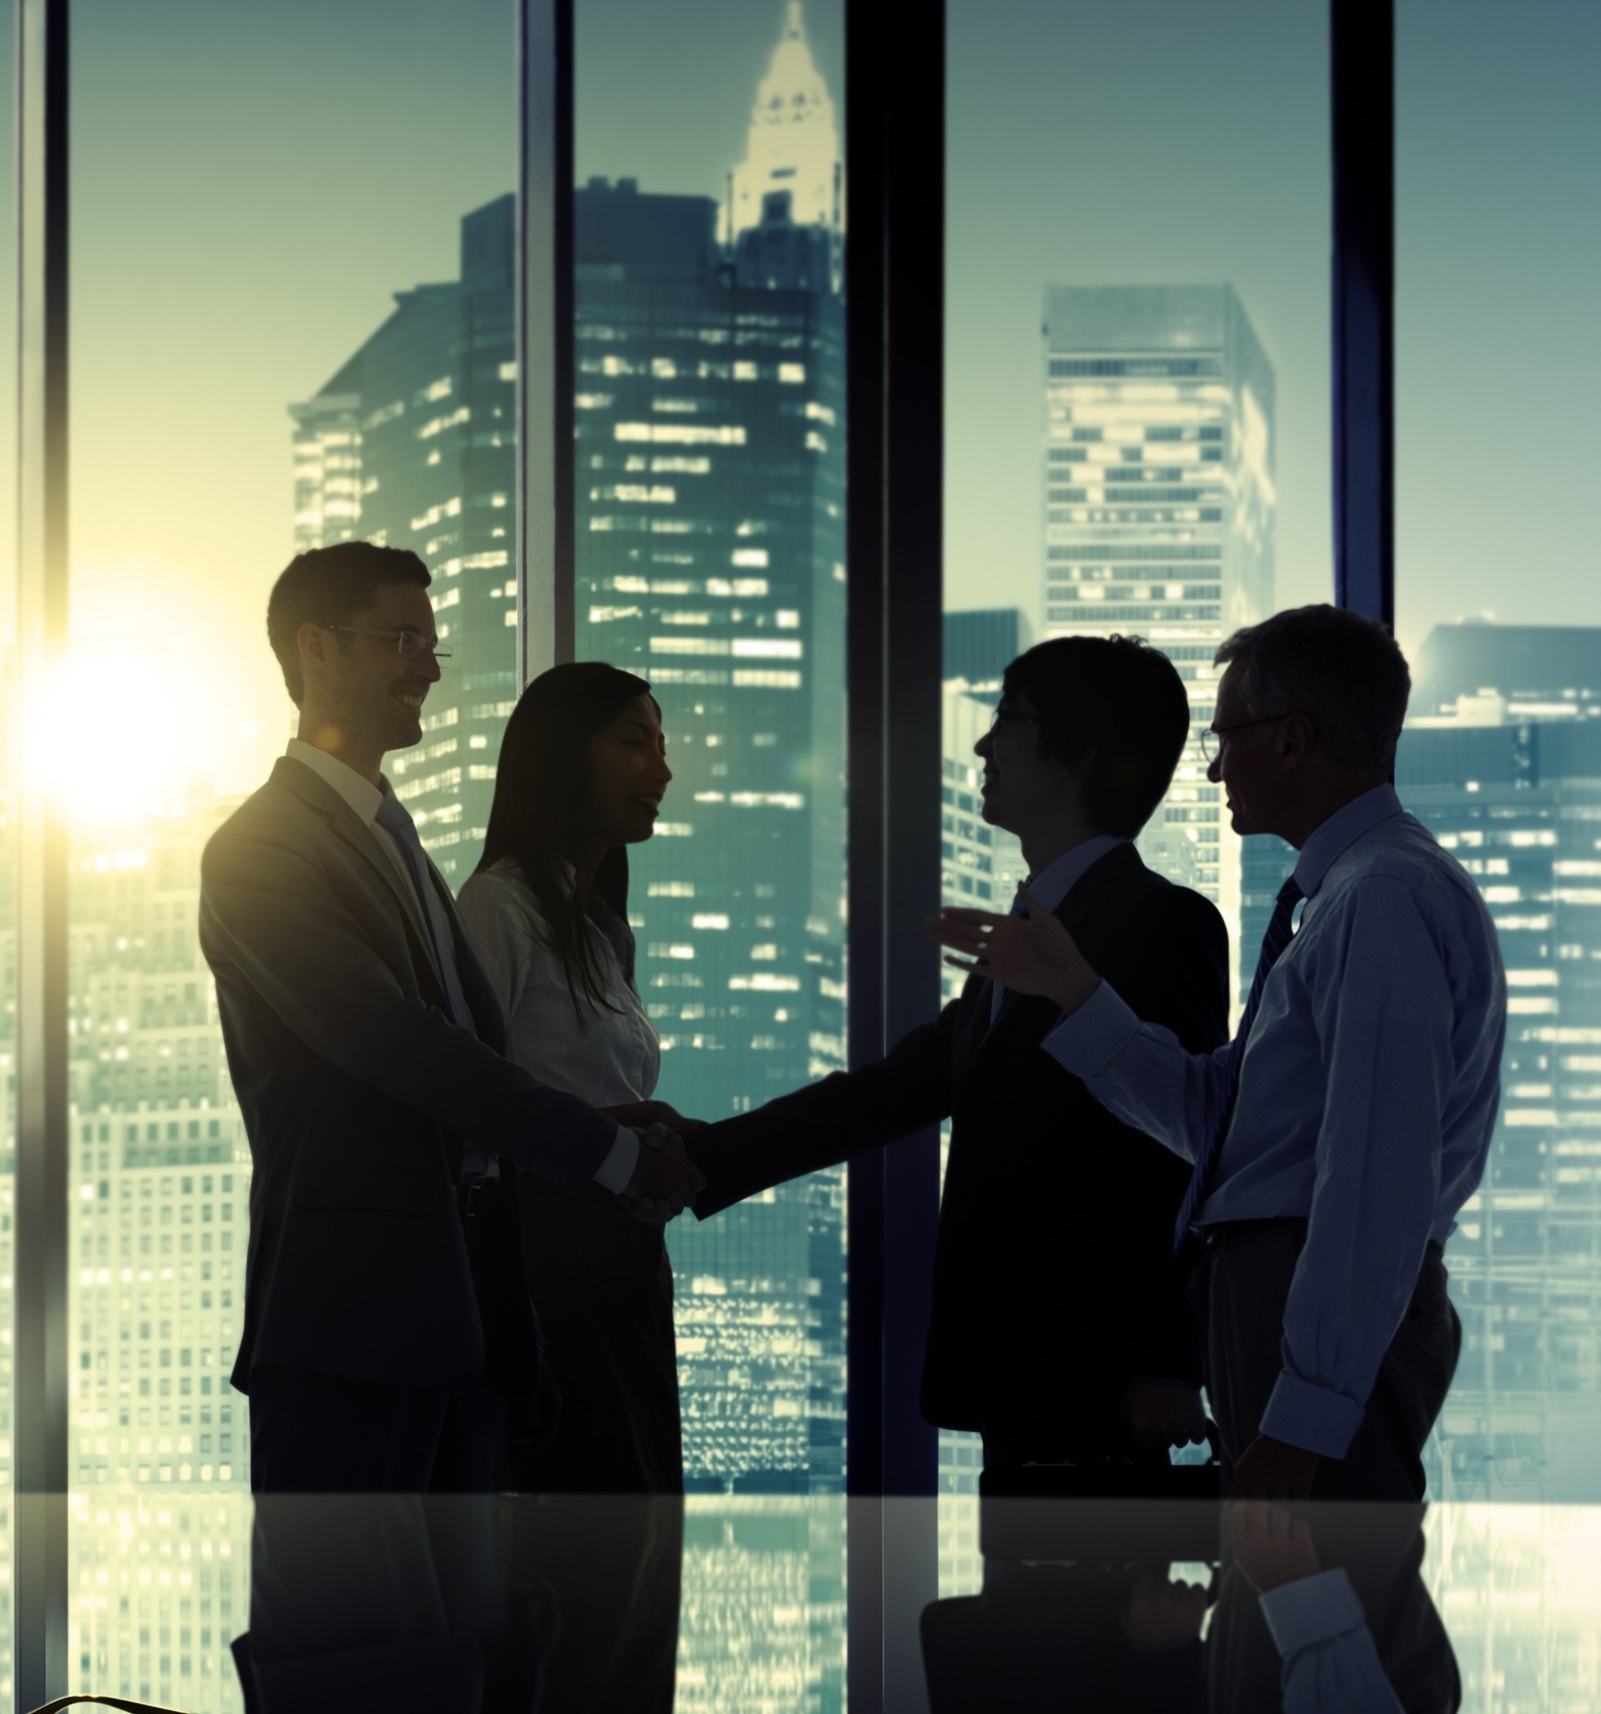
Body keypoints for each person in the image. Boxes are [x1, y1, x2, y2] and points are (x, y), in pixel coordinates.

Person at [936, 602, 1497, 1714]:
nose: (1210, 767)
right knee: (1298, 1637)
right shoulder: (1342, 899)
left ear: (1293, 737)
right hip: (1284, 1304)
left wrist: (1308, 1406)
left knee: (1329, 1614)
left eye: (1228, 736)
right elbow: (1221, 1121)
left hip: (1304, 1307)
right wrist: (1074, 993)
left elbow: (1373, 1181)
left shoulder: (1378, 902)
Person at [200, 542, 706, 1711]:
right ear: (315, 650)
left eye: (430, 643)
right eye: (402, 640)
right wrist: (608, 1151)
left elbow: (466, 1091)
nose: (427, 667)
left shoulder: (398, 844)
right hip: (348, 1324)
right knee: (348, 1668)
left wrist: (514, 1328)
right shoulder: (260, 848)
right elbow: (398, 1047)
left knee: (466, 1669)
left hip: (464, 1328)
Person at [675, 634, 1229, 1471]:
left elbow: (1174, 1149)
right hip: (1018, 1376)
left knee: (1076, 1596)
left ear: (1076, 755)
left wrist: (1165, 1363)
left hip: (1099, 1392)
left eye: (1007, 718)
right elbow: (897, 1090)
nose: (982, 745)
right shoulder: (1026, 937)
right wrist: (699, 1157)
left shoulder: (1159, 922)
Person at [450, 660, 690, 1712]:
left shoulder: (598, 927)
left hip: (625, 1275)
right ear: (563, 755)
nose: (661, 767)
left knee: (637, 1554)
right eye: (633, 741)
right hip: (550, 1276)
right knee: (576, 1575)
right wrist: (601, 1139)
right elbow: (462, 1116)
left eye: (662, 741)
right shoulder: (496, 910)